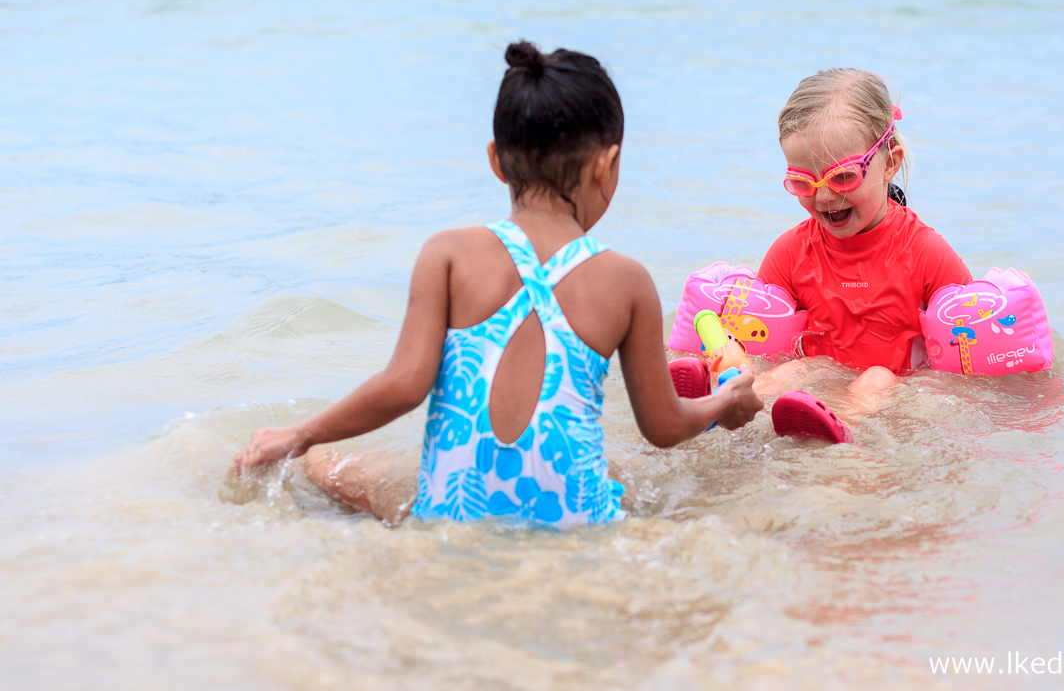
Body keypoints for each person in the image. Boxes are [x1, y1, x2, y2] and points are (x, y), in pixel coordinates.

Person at [232, 41, 763, 528]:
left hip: (451, 516)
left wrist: (299, 435)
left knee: (327, 462)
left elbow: (402, 385)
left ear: (495, 160)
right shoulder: (626, 280)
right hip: (579, 522)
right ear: (608, 164)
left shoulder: (448, 254)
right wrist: (726, 398)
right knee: (628, 472)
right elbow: (665, 427)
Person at [669, 68, 970, 443]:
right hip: (816, 381)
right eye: (803, 182)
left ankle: (841, 423)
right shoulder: (789, 252)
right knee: (791, 372)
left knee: (877, 377)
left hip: (892, 391)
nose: (825, 197)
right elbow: (764, 337)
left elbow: (967, 341)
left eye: (843, 177)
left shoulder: (926, 252)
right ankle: (722, 405)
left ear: (889, 162)